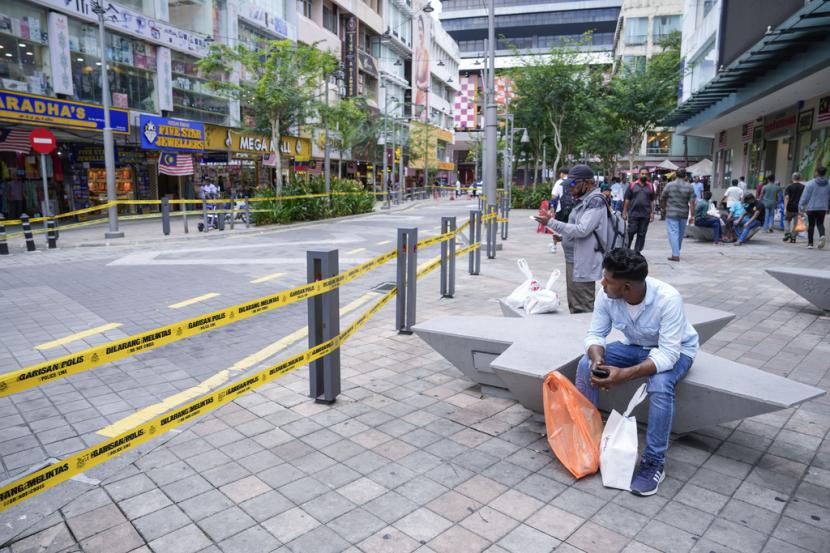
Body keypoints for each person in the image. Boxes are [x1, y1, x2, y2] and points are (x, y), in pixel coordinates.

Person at [576, 248, 698, 496]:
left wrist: (624, 374)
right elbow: (596, 334)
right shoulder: (607, 294)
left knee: (661, 385)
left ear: (627, 287)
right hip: (636, 347)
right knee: (584, 364)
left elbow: (668, 355)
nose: (603, 283)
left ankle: (654, 462)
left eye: (608, 280)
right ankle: (586, 438)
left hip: (677, 350)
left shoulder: (668, 299)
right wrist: (598, 360)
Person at [534, 165, 609, 314]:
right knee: (575, 303)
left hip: (583, 259)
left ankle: (585, 333)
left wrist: (550, 222)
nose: (570, 189)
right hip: (574, 257)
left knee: (583, 304)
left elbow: (582, 229)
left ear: (587, 183)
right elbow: (582, 229)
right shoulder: (584, 200)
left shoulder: (595, 202)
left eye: (574, 185)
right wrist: (563, 237)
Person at [660, 169, 695, 261]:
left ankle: (675, 254)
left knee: (673, 233)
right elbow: (692, 202)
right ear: (685, 176)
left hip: (671, 212)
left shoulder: (669, 185)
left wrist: (663, 208)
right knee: (680, 234)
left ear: (675, 174)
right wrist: (692, 215)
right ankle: (676, 251)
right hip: (684, 213)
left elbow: (662, 197)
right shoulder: (690, 186)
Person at [623, 172, 655, 253]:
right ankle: (626, 250)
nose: (643, 175)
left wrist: (652, 213)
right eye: (642, 173)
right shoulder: (632, 185)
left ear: (648, 175)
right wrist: (624, 212)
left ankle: (637, 252)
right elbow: (627, 199)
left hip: (645, 214)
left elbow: (652, 200)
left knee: (642, 234)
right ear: (639, 175)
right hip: (633, 213)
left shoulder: (650, 186)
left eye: (645, 174)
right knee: (631, 231)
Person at [799, 166, 830, 249]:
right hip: (823, 208)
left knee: (811, 225)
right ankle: (822, 235)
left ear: (817, 173)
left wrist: (801, 207)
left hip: (811, 208)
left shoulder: (810, 183)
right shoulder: (829, 183)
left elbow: (805, 197)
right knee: (820, 223)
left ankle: (810, 244)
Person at [783, 173, 805, 243]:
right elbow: (805, 198)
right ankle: (793, 237)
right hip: (798, 208)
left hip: (790, 207)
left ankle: (787, 233)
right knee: (796, 224)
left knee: (787, 220)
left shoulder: (789, 187)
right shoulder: (803, 187)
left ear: (792, 178)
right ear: (800, 178)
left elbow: (787, 197)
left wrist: (785, 208)